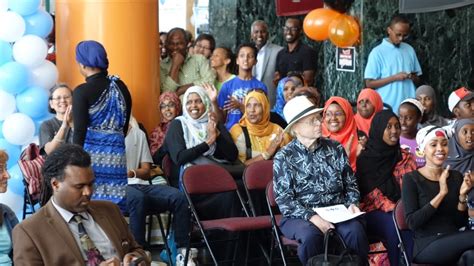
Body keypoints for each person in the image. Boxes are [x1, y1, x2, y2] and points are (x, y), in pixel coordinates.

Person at [12, 144, 149, 266]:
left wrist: (134, 259)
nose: (88, 192)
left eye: (90, 184)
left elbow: (137, 250)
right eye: (79, 186)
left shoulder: (110, 210)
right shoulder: (29, 232)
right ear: (55, 184)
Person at [274, 96, 368, 265]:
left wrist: (352, 203)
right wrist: (313, 217)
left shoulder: (335, 148)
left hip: (338, 211)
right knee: (311, 236)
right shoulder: (284, 157)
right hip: (301, 216)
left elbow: (351, 184)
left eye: (318, 118)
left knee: (355, 231)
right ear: (296, 127)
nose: (319, 123)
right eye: (312, 121)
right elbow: (285, 200)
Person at [72, 40, 132, 212]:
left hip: (91, 159)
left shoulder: (81, 91)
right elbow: (124, 128)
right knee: (116, 208)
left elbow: (79, 133)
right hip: (117, 158)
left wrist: (75, 164)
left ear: (83, 64)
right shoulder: (121, 87)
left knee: (92, 206)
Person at [402, 126, 474, 265]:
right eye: (434, 144)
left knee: (471, 256)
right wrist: (441, 193)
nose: (440, 148)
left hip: (453, 237)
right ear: (421, 151)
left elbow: (459, 223)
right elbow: (412, 222)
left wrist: (462, 196)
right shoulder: (411, 179)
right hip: (427, 245)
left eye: (444, 144)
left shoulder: (455, 177)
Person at [356, 110, 417, 265]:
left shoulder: (405, 157)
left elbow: (414, 187)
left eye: (397, 126)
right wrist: (397, 209)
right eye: (388, 127)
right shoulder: (365, 160)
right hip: (373, 212)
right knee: (395, 223)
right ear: (378, 129)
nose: (394, 131)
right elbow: (371, 195)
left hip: (404, 210)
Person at [125, 116, 190, 254]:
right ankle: (139, 254)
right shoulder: (102, 134)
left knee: (179, 197)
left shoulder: (138, 134)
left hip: (138, 184)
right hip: (116, 188)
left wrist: (131, 173)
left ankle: (181, 252)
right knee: (138, 198)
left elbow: (146, 172)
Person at [164, 85, 238, 186]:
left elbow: (232, 155)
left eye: (198, 101)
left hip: (215, 175)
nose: (193, 105)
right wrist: (208, 142)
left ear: (206, 103)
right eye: (189, 102)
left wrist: (217, 134)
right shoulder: (178, 124)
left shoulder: (213, 122)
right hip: (189, 179)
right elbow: (179, 158)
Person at [364, 14, 422, 113]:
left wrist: (412, 77)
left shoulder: (409, 49)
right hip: (387, 108)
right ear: (389, 30)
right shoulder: (377, 52)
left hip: (409, 109)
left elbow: (418, 79)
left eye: (405, 35)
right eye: (398, 34)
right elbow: (369, 83)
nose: (401, 38)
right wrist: (395, 77)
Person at [215, 43, 268, 130]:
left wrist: (240, 106)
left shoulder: (261, 87)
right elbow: (221, 119)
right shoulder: (227, 86)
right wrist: (214, 102)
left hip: (253, 133)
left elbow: (262, 118)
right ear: (237, 60)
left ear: (255, 61)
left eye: (250, 56)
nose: (245, 59)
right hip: (231, 134)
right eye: (242, 56)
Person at [229, 90, 291, 165]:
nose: (252, 110)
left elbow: (287, 162)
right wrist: (267, 154)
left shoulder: (278, 131)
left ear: (264, 108)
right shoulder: (238, 131)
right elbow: (239, 167)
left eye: (257, 105)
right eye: (248, 105)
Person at [160, 28, 216, 96]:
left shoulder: (199, 60)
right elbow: (167, 94)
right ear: (166, 45)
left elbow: (210, 82)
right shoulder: (161, 66)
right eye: (171, 43)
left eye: (179, 43)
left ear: (187, 44)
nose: (175, 47)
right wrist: (175, 65)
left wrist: (183, 89)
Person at [275, 17, 317, 87]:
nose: (288, 32)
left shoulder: (307, 52)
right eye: (286, 28)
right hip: (284, 95)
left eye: (293, 29)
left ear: (300, 31)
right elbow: (277, 79)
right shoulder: (280, 54)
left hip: (301, 95)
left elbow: (308, 80)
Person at [250, 20, 283, 107]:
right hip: (250, 100)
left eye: (263, 32)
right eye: (256, 32)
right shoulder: (247, 52)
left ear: (267, 34)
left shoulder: (279, 51)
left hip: (271, 100)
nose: (259, 35)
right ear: (251, 35)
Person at [322, 96, 360, 171]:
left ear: (347, 116)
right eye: (328, 114)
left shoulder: (361, 140)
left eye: (338, 114)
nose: (333, 118)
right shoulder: (317, 140)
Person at [39, 83, 74, 155]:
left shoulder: (82, 121)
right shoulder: (47, 125)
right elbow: (49, 151)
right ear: (51, 104)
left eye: (66, 97)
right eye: (58, 98)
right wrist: (64, 126)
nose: (62, 101)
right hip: (57, 165)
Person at [149, 92, 182, 160]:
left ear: (177, 106)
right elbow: (154, 158)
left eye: (171, 105)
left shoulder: (185, 125)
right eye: (163, 106)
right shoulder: (157, 132)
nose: (167, 109)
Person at [0, 150, 18, 266]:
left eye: (5, 168)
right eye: (1, 170)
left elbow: (22, 248)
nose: (8, 175)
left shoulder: (6, 212)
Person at [398, 98, 425, 168]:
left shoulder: (425, 140)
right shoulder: (394, 141)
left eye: (408, 118)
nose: (403, 122)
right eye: (400, 117)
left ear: (419, 118)